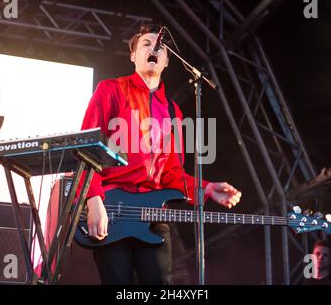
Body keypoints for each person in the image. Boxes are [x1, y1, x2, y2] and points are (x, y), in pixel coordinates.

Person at [78, 24, 241, 285]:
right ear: (133, 56)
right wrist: (93, 199)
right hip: (112, 207)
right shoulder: (110, 89)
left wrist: (207, 188)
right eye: (146, 44)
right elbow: (86, 147)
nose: (154, 47)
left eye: (160, 47)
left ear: (166, 61)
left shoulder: (173, 111)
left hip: (154, 216)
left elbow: (172, 173)